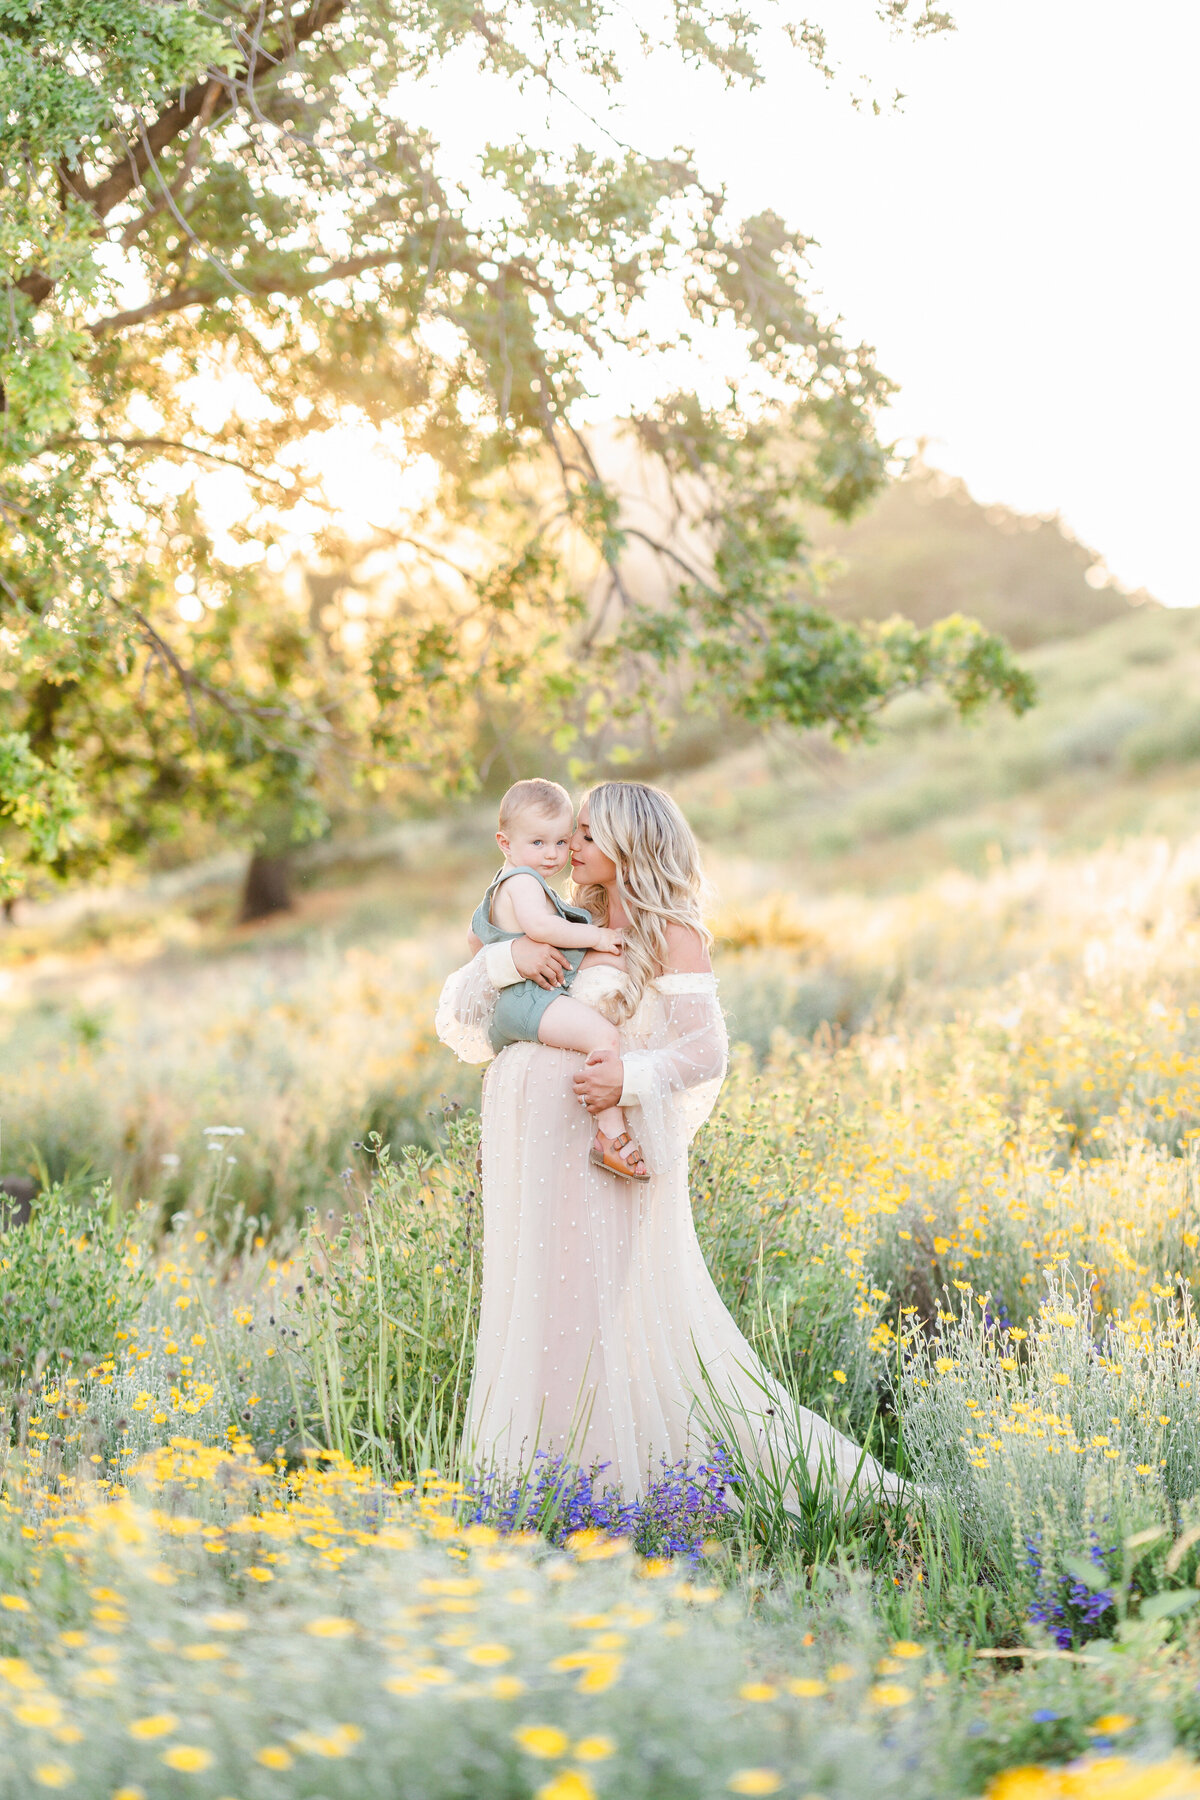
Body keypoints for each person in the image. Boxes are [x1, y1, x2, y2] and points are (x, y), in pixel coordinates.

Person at [436, 780, 904, 1504]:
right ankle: (544, 1486)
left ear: (628, 845)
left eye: (586, 836)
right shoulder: (561, 918)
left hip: (605, 1152)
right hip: (531, 1153)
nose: (570, 848)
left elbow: (704, 1052)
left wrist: (625, 1078)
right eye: (569, 835)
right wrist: (504, 963)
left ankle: (625, 1491)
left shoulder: (670, 932)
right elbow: (463, 1021)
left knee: (594, 1313)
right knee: (539, 1309)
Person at [464, 777, 647, 1181]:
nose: (553, 855)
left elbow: (477, 938)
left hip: (523, 1000)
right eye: (538, 843)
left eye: (562, 842)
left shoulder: (515, 881)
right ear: (504, 842)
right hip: (526, 1000)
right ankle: (611, 1136)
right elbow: (542, 928)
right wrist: (599, 936)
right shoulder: (523, 883)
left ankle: (492, 1138)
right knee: (604, 1037)